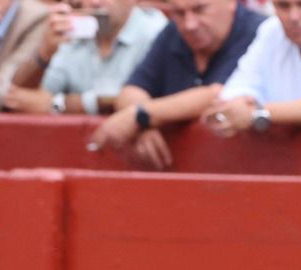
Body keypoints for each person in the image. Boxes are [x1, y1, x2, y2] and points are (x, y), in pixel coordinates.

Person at [87, 0, 264, 167]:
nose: (190, 24)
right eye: (179, 13)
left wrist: (141, 115)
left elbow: (220, 94)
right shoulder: (173, 32)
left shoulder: (259, 32)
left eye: (199, 9)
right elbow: (131, 90)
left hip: (248, 168)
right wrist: (142, 124)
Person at [203, 0, 301, 134]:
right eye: (283, 5)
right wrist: (246, 109)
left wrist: (258, 113)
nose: (294, 16)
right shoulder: (271, 30)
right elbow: (233, 92)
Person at [4, 0, 167, 115]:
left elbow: (133, 102)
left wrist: (57, 105)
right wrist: (43, 54)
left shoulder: (156, 32)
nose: (95, 2)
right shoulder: (75, 31)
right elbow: (19, 97)